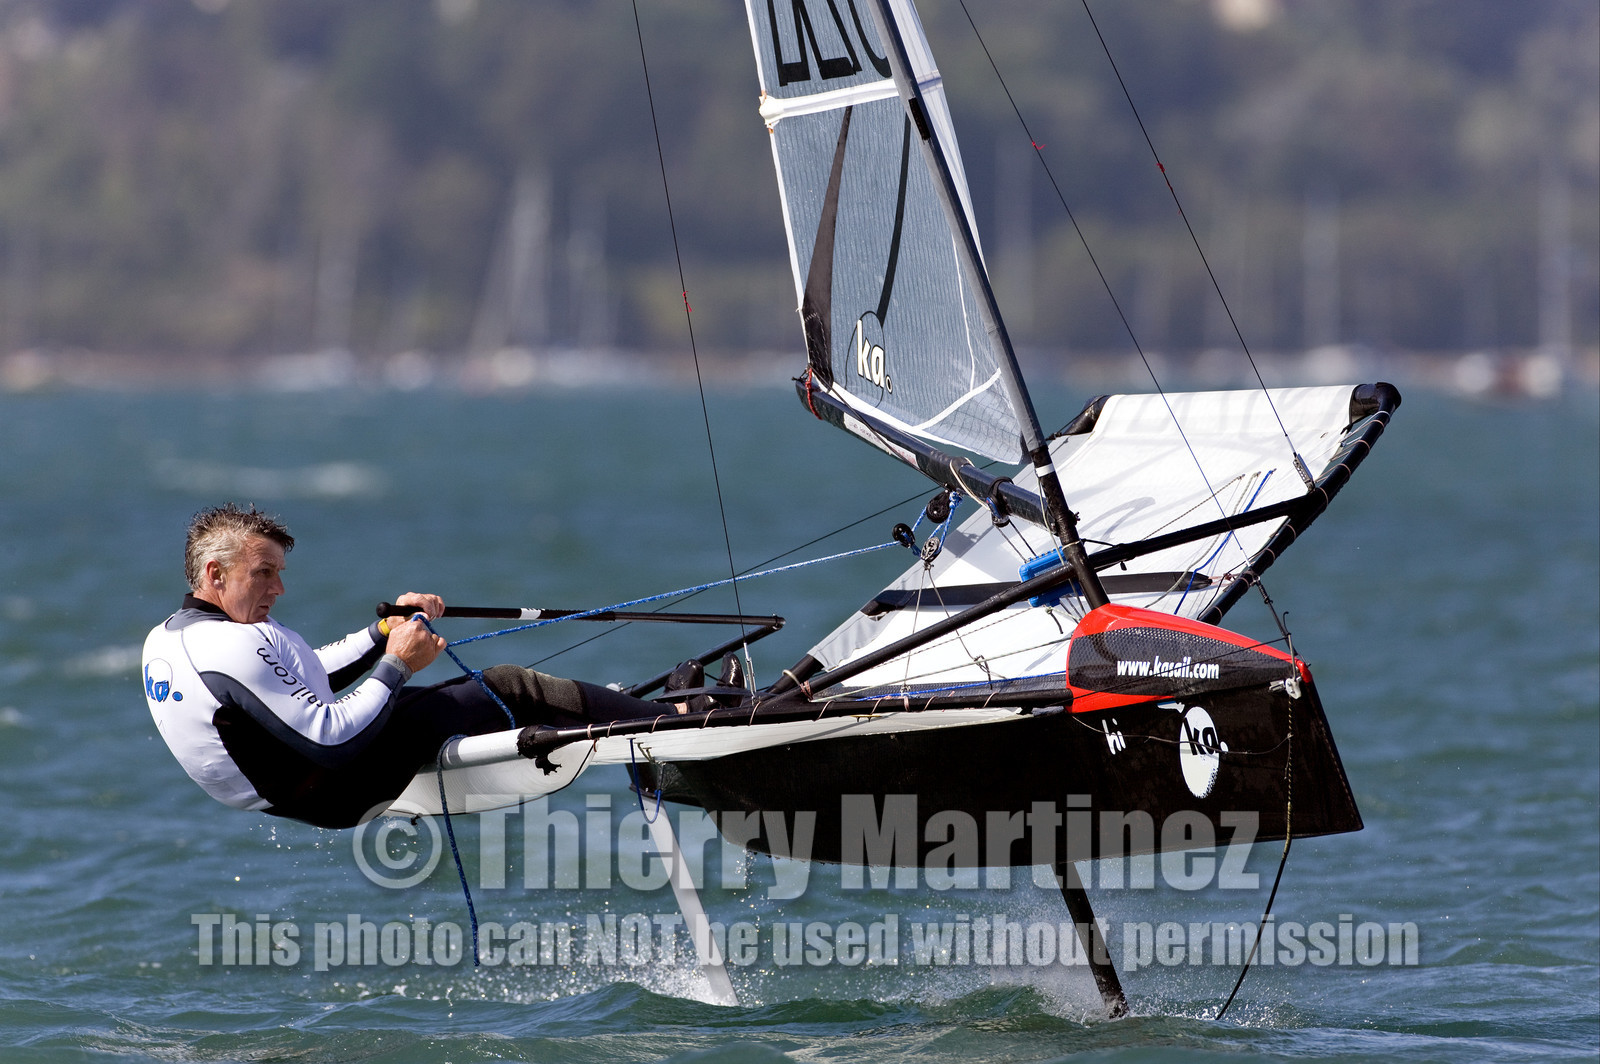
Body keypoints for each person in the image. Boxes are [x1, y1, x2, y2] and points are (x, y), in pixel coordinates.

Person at [141, 503, 679, 829]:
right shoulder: (231, 647)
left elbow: (300, 682)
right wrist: (397, 664)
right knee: (507, 689)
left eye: (279, 572)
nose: (279, 588)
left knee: (469, 700)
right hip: (332, 782)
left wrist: (382, 634)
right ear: (215, 574)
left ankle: (635, 722)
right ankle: (672, 722)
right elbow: (330, 738)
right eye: (263, 573)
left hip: (299, 789)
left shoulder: (171, 638)